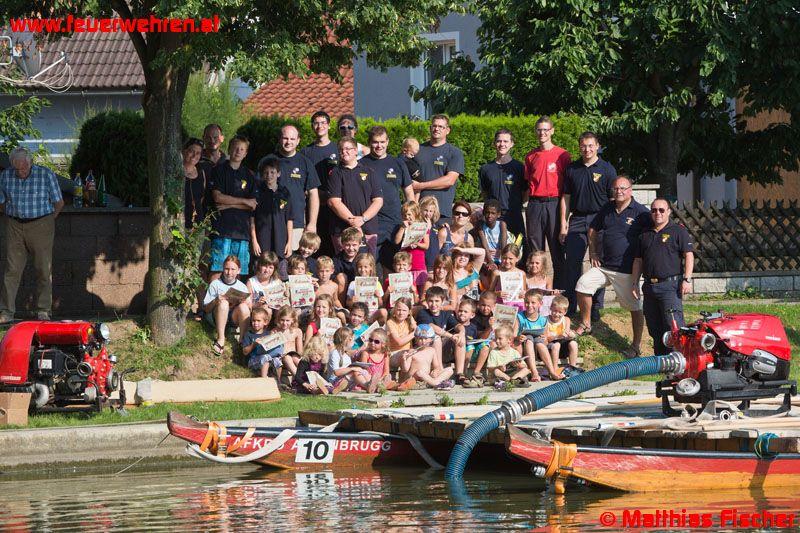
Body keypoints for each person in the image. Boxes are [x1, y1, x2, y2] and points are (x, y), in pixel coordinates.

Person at [574, 176, 651, 358]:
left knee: (634, 307)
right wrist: (593, 253)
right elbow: (592, 229)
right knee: (582, 284)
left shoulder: (641, 213)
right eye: (616, 188)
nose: (619, 192)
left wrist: (641, 270)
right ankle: (586, 324)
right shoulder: (607, 208)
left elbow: (652, 236)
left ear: (630, 190)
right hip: (604, 267)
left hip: (626, 271)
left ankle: (636, 345)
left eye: (623, 188)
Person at [0, 147, 64, 322]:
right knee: (11, 270)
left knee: (43, 268)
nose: (21, 172)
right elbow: (1, 202)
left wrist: (48, 221)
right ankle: (6, 312)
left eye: (24, 168)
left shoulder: (46, 175)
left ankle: (43, 310)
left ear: (30, 162)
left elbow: (59, 202)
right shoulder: (6, 176)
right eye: (17, 169)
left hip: (41, 223)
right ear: (12, 165)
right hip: (14, 224)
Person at [560, 131, 616, 318]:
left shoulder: (607, 169)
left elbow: (613, 199)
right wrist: (563, 223)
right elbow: (566, 198)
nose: (587, 149)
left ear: (597, 146)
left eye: (591, 145)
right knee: (572, 263)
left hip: (599, 221)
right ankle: (570, 305)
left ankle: (595, 307)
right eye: (583, 146)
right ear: (579, 147)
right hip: (577, 219)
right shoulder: (571, 169)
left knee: (598, 265)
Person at [631, 198, 694, 355]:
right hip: (649, 287)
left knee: (673, 326)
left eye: (661, 210)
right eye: (653, 210)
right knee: (654, 327)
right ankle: (661, 362)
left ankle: (680, 362)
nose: (657, 213)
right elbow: (638, 260)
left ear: (669, 212)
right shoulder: (644, 234)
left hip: (670, 287)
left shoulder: (678, 231)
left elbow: (689, 255)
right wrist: (634, 283)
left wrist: (687, 279)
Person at [524, 115, 571, 284]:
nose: (542, 133)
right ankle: (537, 291)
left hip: (555, 204)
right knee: (535, 251)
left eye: (545, 129)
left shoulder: (563, 155)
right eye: (539, 130)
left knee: (557, 248)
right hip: (535, 204)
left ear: (552, 131)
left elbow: (568, 185)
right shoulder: (530, 156)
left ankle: (559, 293)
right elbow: (528, 181)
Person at [360, 125, 415, 272]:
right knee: (369, 267)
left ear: (388, 142)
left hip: (395, 223)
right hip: (371, 223)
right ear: (369, 142)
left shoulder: (397, 163)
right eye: (375, 142)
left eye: (382, 142)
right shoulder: (361, 164)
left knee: (394, 267)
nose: (379, 146)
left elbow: (409, 193)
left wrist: (413, 217)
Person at [209, 135, 257, 279]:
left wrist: (230, 203)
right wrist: (244, 202)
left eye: (242, 149)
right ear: (229, 149)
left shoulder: (249, 175)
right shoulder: (219, 170)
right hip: (221, 229)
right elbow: (217, 198)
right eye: (235, 148)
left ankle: (235, 302)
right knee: (218, 268)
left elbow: (253, 204)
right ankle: (214, 301)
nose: (238, 151)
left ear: (246, 153)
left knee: (239, 271)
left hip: (242, 231)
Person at [327, 137, 384, 256]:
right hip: (342, 230)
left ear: (355, 151)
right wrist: (353, 221)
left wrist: (363, 219)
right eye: (341, 150)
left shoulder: (369, 171)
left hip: (368, 228)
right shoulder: (335, 173)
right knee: (344, 267)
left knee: (367, 268)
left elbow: (378, 201)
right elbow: (334, 202)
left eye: (347, 149)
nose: (344, 152)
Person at [274, 124, 321, 249]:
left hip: (297, 223)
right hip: (272, 221)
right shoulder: (269, 161)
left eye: (292, 139)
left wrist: (312, 223)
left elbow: (313, 194)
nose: (288, 142)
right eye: (285, 138)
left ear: (298, 141)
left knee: (294, 264)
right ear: (279, 139)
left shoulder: (305, 163)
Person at [412, 115, 465, 222]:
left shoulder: (454, 153)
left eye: (441, 127)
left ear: (448, 130)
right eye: (434, 126)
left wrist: (421, 186)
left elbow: (449, 180)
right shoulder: (417, 150)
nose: (437, 129)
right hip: (419, 212)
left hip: (442, 213)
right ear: (430, 128)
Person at [301, 111, 339, 256]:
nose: (320, 126)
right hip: (313, 208)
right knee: (313, 248)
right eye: (316, 123)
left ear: (329, 126)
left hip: (334, 208)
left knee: (333, 249)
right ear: (312, 126)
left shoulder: (338, 149)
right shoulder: (306, 152)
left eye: (323, 123)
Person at [480, 128, 526, 238]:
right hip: (493, 218)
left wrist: (516, 205)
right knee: (494, 252)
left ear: (512, 144)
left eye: (505, 141)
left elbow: (525, 192)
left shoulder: (520, 168)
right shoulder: (486, 169)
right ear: (494, 143)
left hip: (514, 216)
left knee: (518, 251)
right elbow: (485, 193)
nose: (502, 144)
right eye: (499, 141)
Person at [203, 255, 251, 356]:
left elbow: (249, 309)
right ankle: (221, 339)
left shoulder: (242, 286)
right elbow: (206, 309)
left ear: (239, 270)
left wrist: (245, 303)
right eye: (226, 269)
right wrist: (216, 300)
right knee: (223, 303)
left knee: (244, 307)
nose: (229, 272)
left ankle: (242, 340)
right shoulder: (215, 284)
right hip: (215, 317)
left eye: (233, 269)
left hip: (233, 317)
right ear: (223, 269)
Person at [250, 155, 294, 265]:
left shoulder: (285, 193)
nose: (269, 175)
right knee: (261, 269)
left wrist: (289, 242)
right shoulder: (257, 192)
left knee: (280, 273)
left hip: (280, 242)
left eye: (272, 172)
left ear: (278, 173)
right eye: (266, 172)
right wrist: (254, 241)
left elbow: (289, 219)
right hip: (262, 241)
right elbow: (252, 219)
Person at [539, 295, 579, 375]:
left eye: (560, 312)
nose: (556, 314)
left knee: (573, 343)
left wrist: (571, 335)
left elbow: (567, 335)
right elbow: (546, 339)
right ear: (550, 308)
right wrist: (558, 336)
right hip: (551, 348)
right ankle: (554, 369)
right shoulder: (545, 320)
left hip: (562, 347)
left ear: (565, 312)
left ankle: (572, 368)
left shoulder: (566, 320)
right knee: (556, 345)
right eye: (555, 311)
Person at [242, 307, 283, 380]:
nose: (255, 323)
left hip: (267, 357)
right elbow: (245, 352)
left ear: (265, 322)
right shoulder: (249, 334)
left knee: (277, 360)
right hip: (253, 361)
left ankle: (278, 382)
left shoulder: (268, 334)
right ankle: (263, 381)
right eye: (253, 320)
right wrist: (254, 344)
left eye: (258, 321)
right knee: (265, 357)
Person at [487, 324, 531, 388]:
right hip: (501, 375)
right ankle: (513, 382)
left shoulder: (514, 352)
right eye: (496, 338)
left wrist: (519, 365)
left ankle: (512, 381)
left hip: (512, 374)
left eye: (500, 339)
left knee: (526, 370)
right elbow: (489, 368)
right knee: (496, 371)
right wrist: (499, 367)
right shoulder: (494, 352)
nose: (497, 341)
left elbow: (524, 365)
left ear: (509, 340)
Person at [182, 137, 210, 229]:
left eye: (198, 153)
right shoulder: (175, 172)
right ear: (184, 151)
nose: (194, 156)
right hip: (178, 224)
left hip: (197, 226)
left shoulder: (202, 173)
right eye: (191, 151)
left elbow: (203, 199)